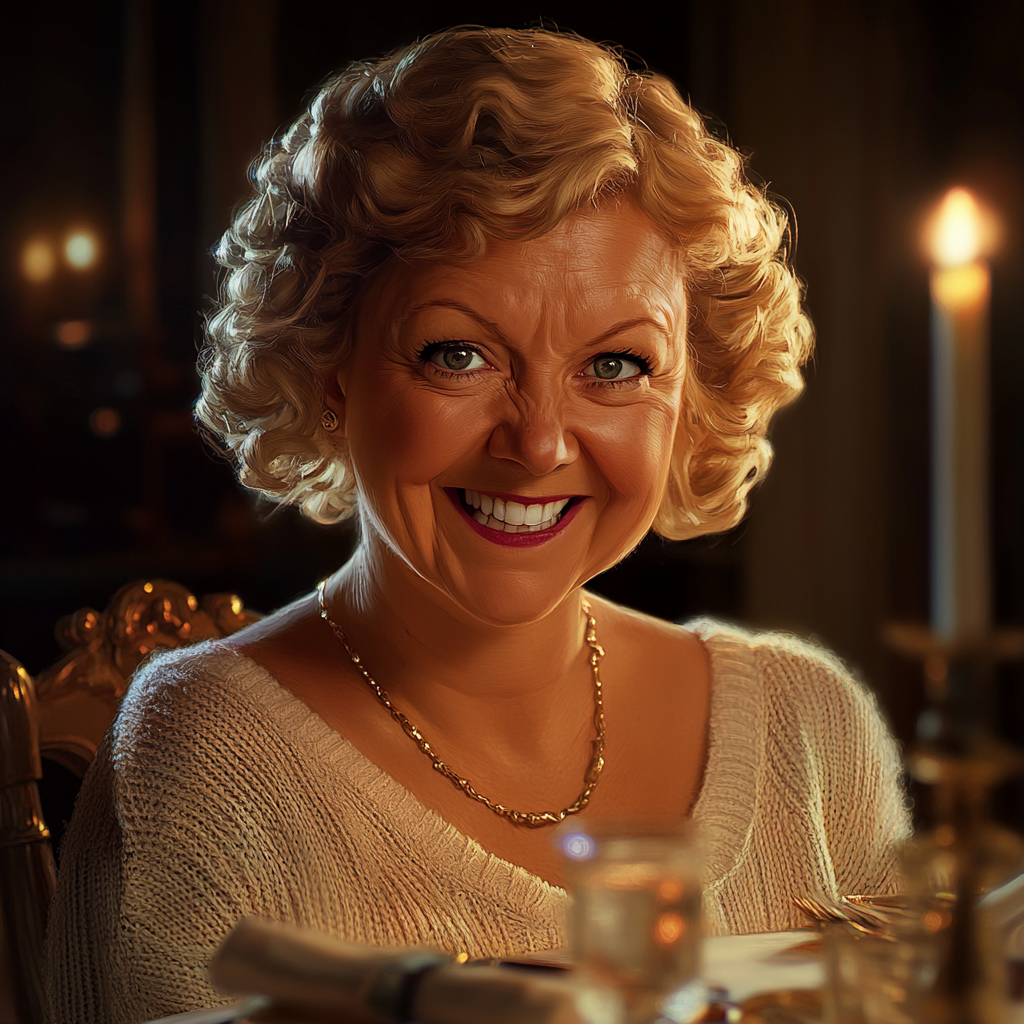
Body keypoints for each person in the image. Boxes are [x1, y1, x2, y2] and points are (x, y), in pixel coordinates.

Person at [44, 26, 909, 1024]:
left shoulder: (812, 730)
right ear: (330, 368)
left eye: (616, 365)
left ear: (693, 396)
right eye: (458, 355)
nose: (538, 443)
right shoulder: (198, 762)